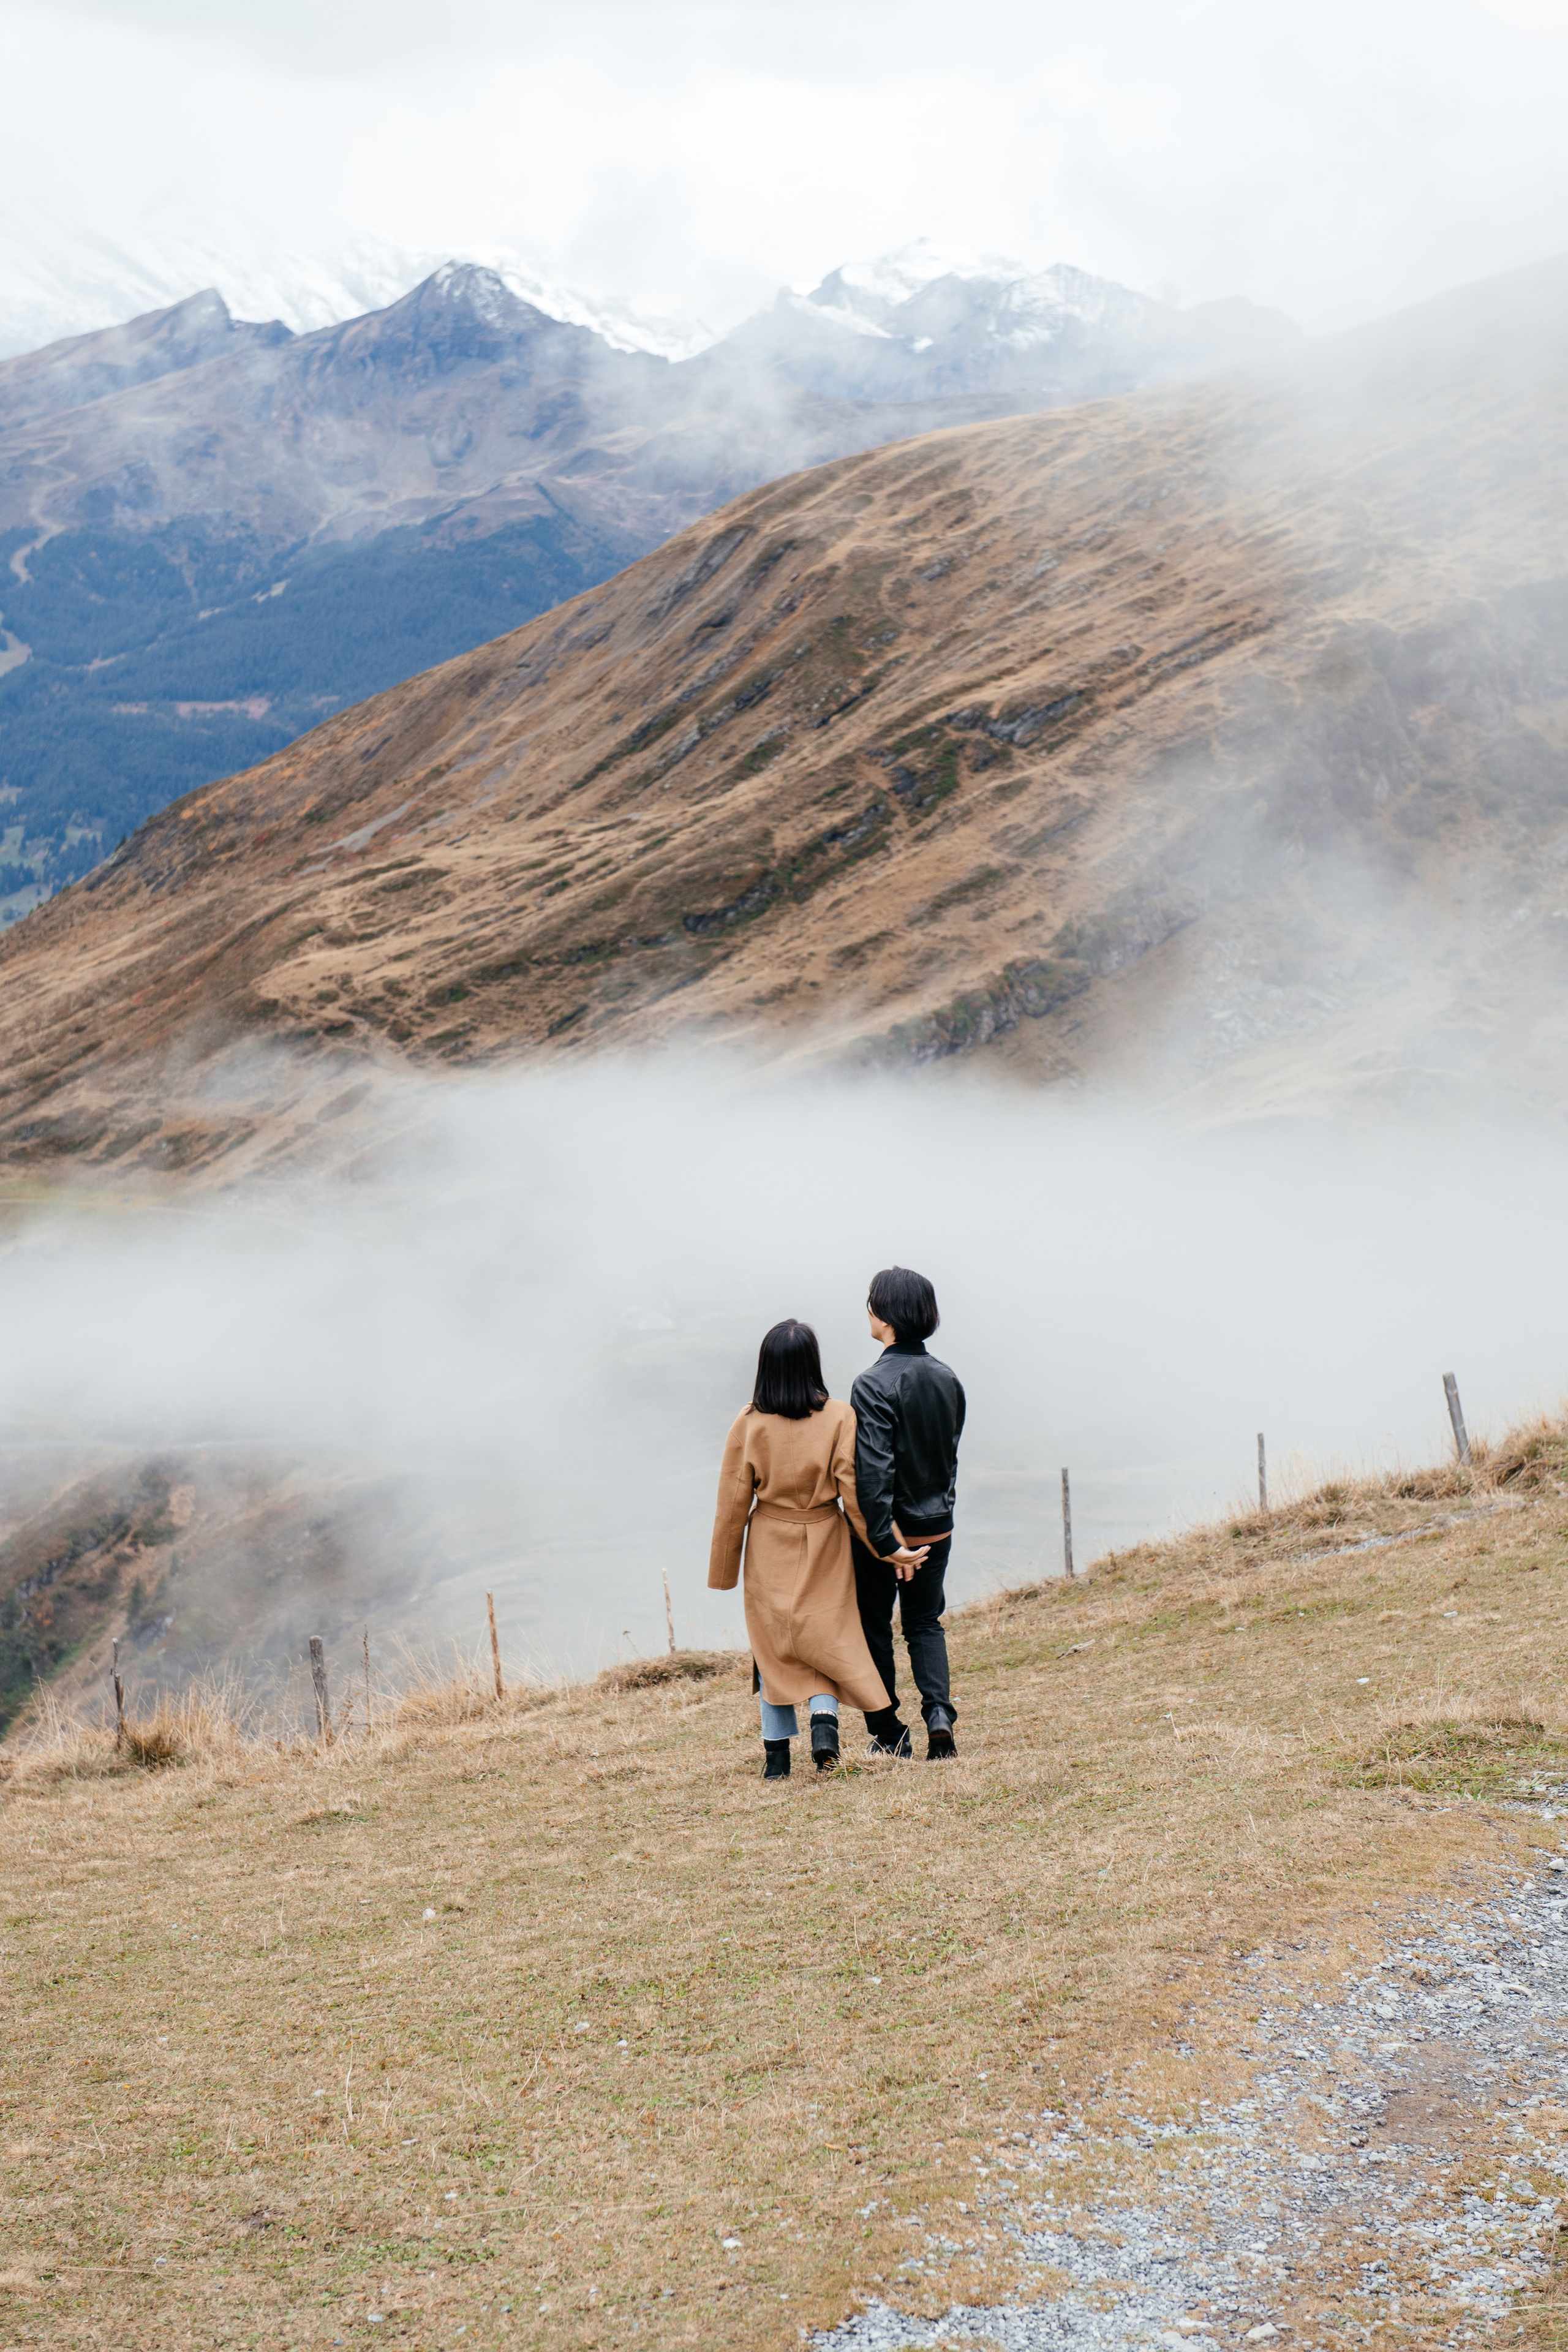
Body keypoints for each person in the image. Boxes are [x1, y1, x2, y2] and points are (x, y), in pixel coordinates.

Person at [707, 1319, 927, 1779]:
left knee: (775, 1644)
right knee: (825, 1633)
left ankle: (776, 1759)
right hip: (827, 1535)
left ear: (766, 1367)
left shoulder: (748, 1422)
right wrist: (887, 1548)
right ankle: (824, 1725)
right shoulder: (840, 1416)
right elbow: (855, 1494)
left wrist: (724, 1570)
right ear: (813, 1364)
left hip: (769, 1538)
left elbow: (733, 1500)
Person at [850, 1266, 966, 1762]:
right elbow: (949, 1460)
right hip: (937, 1527)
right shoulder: (948, 1378)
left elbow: (875, 1473)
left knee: (874, 1624)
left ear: (887, 1314)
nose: (868, 1311)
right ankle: (939, 1714)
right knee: (924, 1622)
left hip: (886, 1533)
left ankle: (888, 1730)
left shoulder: (872, 1384)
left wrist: (887, 1542)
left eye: (872, 1302)